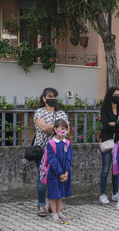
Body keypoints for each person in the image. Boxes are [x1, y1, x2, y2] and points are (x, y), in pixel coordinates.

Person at [34, 87, 69, 217]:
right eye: (50, 96)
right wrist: (58, 128)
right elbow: (42, 126)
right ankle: (41, 205)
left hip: (58, 151)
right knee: (42, 178)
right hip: (42, 150)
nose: (52, 98)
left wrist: (53, 128)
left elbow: (67, 130)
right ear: (44, 98)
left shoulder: (62, 114)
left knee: (56, 179)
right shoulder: (39, 112)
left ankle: (53, 206)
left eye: (54, 96)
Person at [99, 87, 119, 204]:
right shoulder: (105, 109)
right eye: (115, 95)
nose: (117, 97)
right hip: (107, 140)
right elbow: (106, 125)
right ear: (110, 96)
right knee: (105, 168)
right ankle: (102, 194)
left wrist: (115, 124)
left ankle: (115, 193)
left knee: (116, 168)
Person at [47, 119, 73, 223]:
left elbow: (69, 158)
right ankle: (53, 213)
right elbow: (52, 160)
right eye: (62, 129)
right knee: (53, 193)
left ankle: (59, 211)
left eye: (66, 129)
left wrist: (66, 172)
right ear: (55, 129)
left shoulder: (67, 143)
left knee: (60, 192)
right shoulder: (51, 143)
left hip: (64, 173)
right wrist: (59, 173)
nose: (64, 131)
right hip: (54, 173)